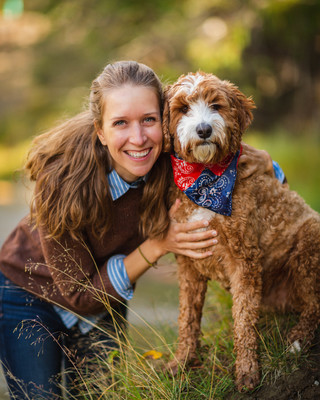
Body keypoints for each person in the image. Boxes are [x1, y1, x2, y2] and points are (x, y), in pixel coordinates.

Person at [0, 61, 282, 399]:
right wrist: (157, 245)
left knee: (99, 395)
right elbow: (79, 294)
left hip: (105, 291)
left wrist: (268, 167)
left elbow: (238, 153)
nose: (138, 138)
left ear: (167, 121)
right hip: (29, 290)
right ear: (100, 131)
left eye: (149, 120)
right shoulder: (61, 180)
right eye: (120, 123)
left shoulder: (172, 157)